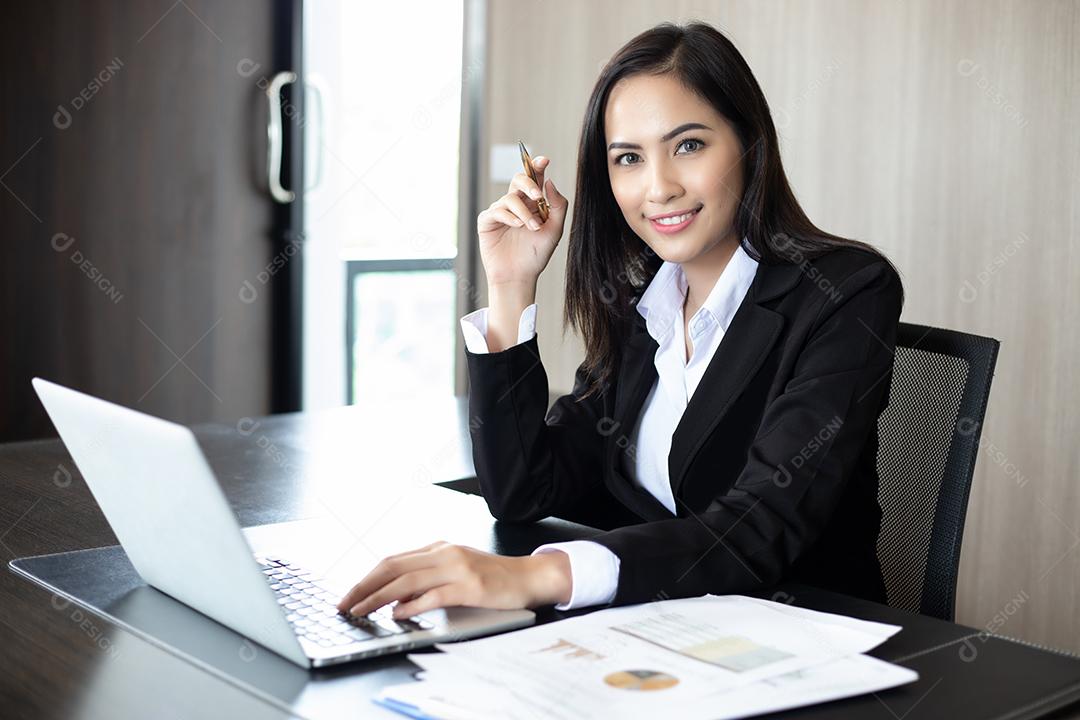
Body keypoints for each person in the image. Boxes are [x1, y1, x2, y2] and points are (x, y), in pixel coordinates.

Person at [338, 20, 904, 622]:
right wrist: (510, 287)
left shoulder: (845, 292)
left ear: (748, 144)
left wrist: (540, 574)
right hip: (657, 632)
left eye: (689, 145)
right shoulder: (644, 301)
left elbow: (761, 527)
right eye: (629, 158)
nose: (658, 187)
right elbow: (523, 491)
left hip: (806, 645)